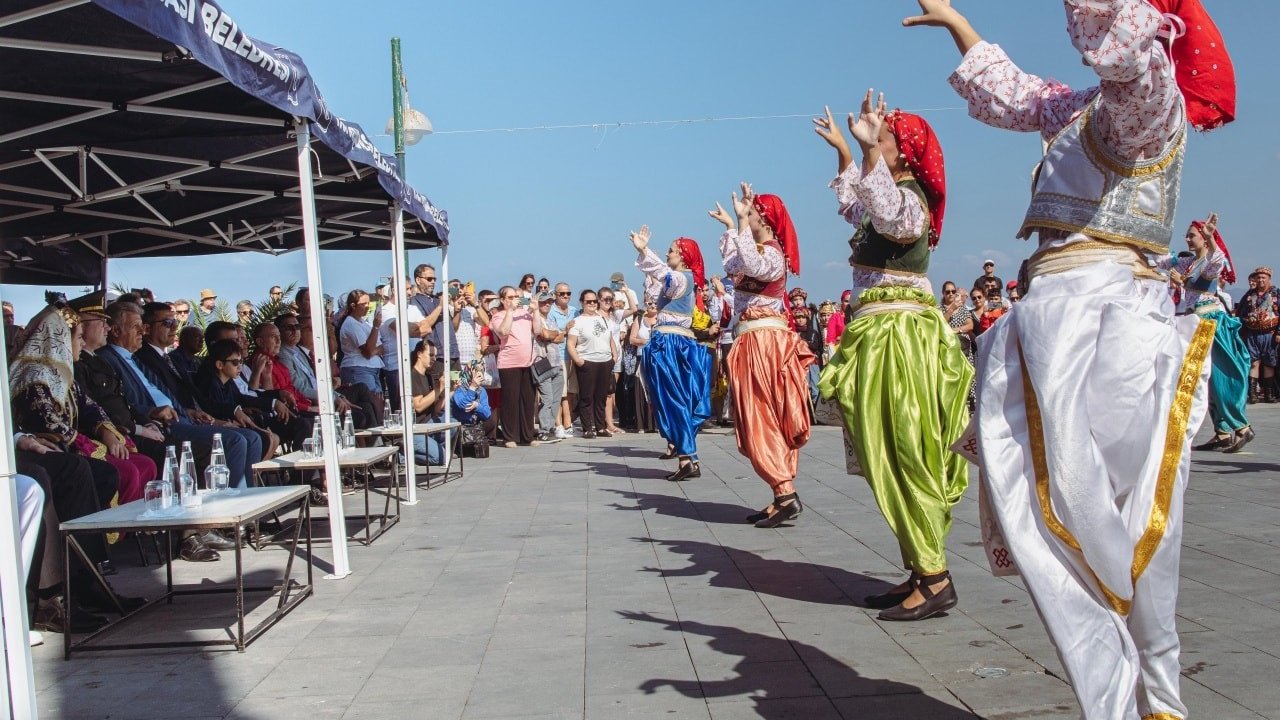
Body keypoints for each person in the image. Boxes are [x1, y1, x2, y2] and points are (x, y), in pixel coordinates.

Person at [910, 0, 1234, 715]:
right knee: (1058, 529)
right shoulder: (1081, 109)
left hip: (1108, 319)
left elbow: (1125, 59)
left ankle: (1151, 696)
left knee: (1112, 525)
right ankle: (1129, 701)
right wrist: (956, 21)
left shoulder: (1151, 101)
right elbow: (1015, 92)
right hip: (1056, 316)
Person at [814, 92, 971, 621]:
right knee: (886, 447)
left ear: (903, 152)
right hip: (882, 332)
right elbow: (856, 206)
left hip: (901, 336)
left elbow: (886, 215)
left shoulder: (911, 201)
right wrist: (845, 151)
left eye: (880, 139)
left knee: (904, 447)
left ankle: (935, 576)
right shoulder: (889, 191)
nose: (870, 146)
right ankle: (920, 568)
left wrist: (867, 156)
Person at [711, 183, 815, 528]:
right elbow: (734, 264)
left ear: (765, 219)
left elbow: (751, 264)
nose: (748, 215)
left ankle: (785, 493)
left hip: (763, 344)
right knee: (760, 414)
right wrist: (732, 227)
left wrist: (739, 226)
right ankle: (779, 492)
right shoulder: (758, 251)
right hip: (753, 341)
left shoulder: (772, 255)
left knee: (762, 415)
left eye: (752, 212)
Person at [10, 303, 157, 506]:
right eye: (78, 338)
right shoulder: (35, 376)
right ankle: (106, 534)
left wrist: (106, 431)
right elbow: (48, 422)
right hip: (60, 446)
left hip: (71, 444)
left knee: (145, 463)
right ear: (60, 341)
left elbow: (90, 407)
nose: (81, 343)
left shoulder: (62, 374)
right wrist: (85, 442)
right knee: (118, 471)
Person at [632, 226, 713, 481]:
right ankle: (690, 458)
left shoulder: (682, 278)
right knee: (677, 399)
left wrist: (644, 250)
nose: (668, 254)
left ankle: (687, 456)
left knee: (673, 399)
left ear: (684, 255)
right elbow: (658, 278)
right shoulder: (681, 280)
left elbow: (664, 275)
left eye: (671, 250)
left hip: (671, 345)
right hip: (675, 343)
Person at [1170, 215, 1252, 453]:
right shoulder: (1191, 263)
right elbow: (1165, 262)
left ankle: (1242, 427)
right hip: (1197, 322)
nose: (1187, 239)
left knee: (1220, 376)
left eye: (1192, 235)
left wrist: (1210, 237)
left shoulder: (1208, 260)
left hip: (1212, 323)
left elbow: (1218, 262)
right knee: (1204, 379)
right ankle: (1223, 431)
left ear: (1204, 239)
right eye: (1187, 235)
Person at [199, 339, 281, 459]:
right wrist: (236, 412)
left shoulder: (228, 382)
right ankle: (251, 475)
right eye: (235, 362)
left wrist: (273, 403)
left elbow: (241, 399)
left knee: (273, 437)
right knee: (266, 438)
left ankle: (256, 475)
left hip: (234, 424)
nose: (239, 367)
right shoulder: (209, 384)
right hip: (218, 429)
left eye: (241, 362)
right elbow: (212, 407)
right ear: (220, 365)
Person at [489, 285, 544, 447]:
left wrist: (536, 311)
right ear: (503, 300)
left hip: (527, 362)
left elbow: (538, 330)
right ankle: (510, 436)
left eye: (516, 297)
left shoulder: (526, 314)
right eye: (510, 297)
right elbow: (503, 332)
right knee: (510, 400)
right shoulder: (499, 316)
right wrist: (510, 311)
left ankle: (527, 435)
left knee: (528, 400)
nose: (514, 300)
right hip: (509, 363)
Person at [567, 288, 617, 440]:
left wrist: (614, 356)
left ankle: (600, 426)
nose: (592, 304)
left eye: (594, 301)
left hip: (605, 361)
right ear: (582, 303)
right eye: (588, 301)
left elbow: (610, 338)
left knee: (601, 396)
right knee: (586, 397)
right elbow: (571, 343)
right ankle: (587, 428)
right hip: (587, 361)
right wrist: (578, 360)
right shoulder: (578, 321)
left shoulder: (602, 318)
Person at [1236, 266, 1280, 403]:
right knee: (1253, 363)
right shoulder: (1249, 295)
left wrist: (1279, 332)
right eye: (1258, 277)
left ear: (1269, 279)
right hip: (1252, 333)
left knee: (1269, 363)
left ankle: (1269, 394)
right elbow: (1241, 312)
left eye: (1263, 277)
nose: (1260, 280)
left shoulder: (1276, 294)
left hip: (1270, 334)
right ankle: (1253, 394)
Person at [338, 289, 385, 398]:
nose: (367, 306)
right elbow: (368, 351)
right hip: (358, 369)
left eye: (368, 303)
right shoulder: (350, 324)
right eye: (363, 304)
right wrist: (376, 326)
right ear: (353, 305)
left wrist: (375, 350)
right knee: (368, 402)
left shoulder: (364, 323)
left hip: (373, 369)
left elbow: (382, 347)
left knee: (378, 403)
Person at [408, 340, 449, 466]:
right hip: (415, 428)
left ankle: (434, 448)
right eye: (431, 355)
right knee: (441, 458)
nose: (434, 359)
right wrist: (439, 388)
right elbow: (418, 406)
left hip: (428, 423)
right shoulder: (412, 376)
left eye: (435, 355)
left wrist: (450, 391)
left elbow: (436, 409)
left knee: (452, 423)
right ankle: (403, 456)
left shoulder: (428, 376)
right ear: (419, 354)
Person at [533, 291, 565, 443]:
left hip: (556, 362)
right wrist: (554, 335)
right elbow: (543, 334)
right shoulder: (535, 319)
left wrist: (553, 335)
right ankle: (543, 430)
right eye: (543, 302)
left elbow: (560, 337)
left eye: (549, 302)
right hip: (542, 363)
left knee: (556, 399)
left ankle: (550, 427)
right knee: (547, 398)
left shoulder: (550, 320)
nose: (547, 304)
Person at [940, 281, 977, 411]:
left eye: (953, 291)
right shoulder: (939, 309)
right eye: (947, 292)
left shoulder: (962, 309)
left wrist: (957, 329)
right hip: (947, 349)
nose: (950, 294)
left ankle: (970, 403)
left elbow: (970, 325)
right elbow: (941, 324)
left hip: (964, 347)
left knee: (967, 375)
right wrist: (950, 310)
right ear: (943, 293)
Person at [548, 283, 579, 438]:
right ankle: (560, 424)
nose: (566, 296)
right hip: (558, 356)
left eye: (568, 293)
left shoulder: (574, 311)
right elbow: (553, 336)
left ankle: (568, 422)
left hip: (573, 355)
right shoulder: (551, 312)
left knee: (571, 392)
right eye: (562, 294)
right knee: (560, 393)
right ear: (556, 295)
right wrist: (565, 330)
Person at [452, 359, 498, 443]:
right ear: (469, 371)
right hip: (462, 424)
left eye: (481, 370)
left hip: (475, 424)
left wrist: (477, 406)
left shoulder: (482, 390)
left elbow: (487, 412)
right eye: (476, 370)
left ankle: (483, 440)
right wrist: (472, 387)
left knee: (491, 420)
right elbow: (464, 405)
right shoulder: (459, 388)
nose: (479, 373)